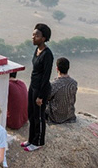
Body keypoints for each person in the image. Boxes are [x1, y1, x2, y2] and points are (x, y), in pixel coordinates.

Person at [22, 23, 54, 152]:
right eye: (33, 34)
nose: (33, 37)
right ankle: (31, 139)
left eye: (37, 35)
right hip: (33, 86)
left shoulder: (47, 55)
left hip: (41, 88)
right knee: (31, 113)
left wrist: (41, 96)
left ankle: (39, 141)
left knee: (39, 116)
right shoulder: (37, 50)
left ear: (44, 38)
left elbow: (46, 77)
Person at [46, 57, 78, 124]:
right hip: (69, 115)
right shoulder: (74, 83)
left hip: (55, 117)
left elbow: (47, 98)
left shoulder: (54, 84)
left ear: (57, 69)